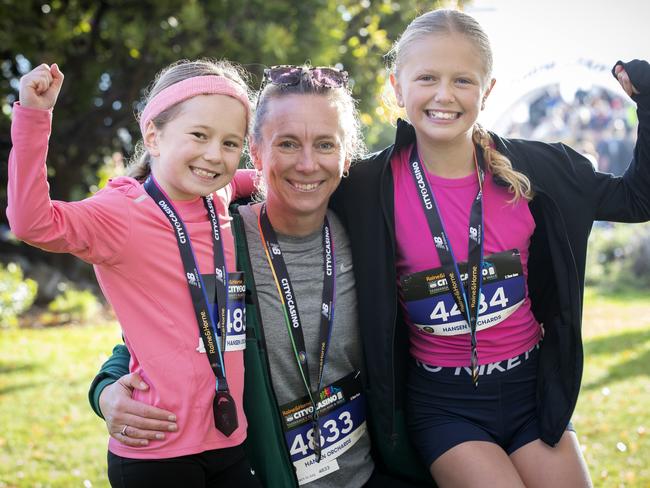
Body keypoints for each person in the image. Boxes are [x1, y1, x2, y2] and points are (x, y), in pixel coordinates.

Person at [330, 8, 649, 488]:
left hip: (530, 391)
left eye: (463, 80)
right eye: (427, 78)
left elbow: (636, 197)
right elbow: (297, 188)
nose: (444, 95)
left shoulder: (540, 168)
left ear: (488, 91)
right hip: (443, 405)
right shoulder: (367, 185)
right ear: (397, 87)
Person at [88, 66, 428, 487]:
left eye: (325, 144)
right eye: (287, 143)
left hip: (368, 474)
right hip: (265, 476)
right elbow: (165, 332)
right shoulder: (221, 241)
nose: (307, 164)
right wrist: (106, 389)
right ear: (255, 150)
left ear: (345, 157)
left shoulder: (368, 234)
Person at [7, 59, 262, 487]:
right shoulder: (120, 214)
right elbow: (31, 222)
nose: (214, 155)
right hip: (157, 449)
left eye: (230, 143)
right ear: (153, 136)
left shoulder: (218, 196)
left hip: (228, 441)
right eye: (199, 135)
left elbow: (253, 179)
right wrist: (35, 116)